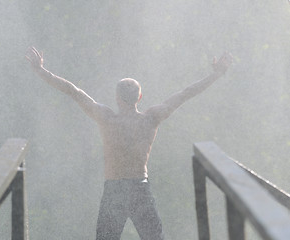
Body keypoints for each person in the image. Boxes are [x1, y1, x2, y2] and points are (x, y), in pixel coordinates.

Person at [26, 47, 232, 240]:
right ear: (140, 97)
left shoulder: (106, 118)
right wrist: (216, 74)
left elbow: (73, 91)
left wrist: (40, 70)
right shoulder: (150, 119)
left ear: (116, 98)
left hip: (114, 188)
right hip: (139, 188)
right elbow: (185, 93)